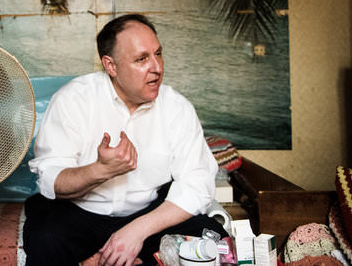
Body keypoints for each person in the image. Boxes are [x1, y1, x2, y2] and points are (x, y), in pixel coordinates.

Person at [23, 14, 227, 266]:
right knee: (45, 238)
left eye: (158, 54)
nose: (157, 67)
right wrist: (100, 170)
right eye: (142, 59)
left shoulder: (177, 107)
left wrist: (138, 231)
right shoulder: (73, 100)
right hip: (79, 214)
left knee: (213, 237)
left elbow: (197, 184)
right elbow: (51, 181)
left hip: (147, 215)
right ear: (111, 66)